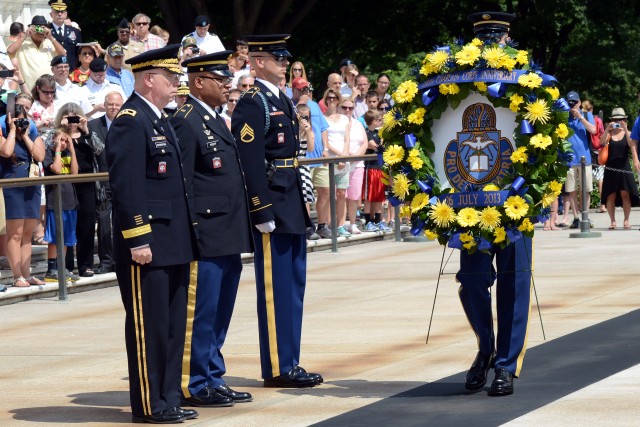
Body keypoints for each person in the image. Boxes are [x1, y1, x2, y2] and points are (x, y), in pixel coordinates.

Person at [105, 44, 197, 424]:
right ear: (148, 79)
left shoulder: (158, 118)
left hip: (172, 238)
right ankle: (149, 403)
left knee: (173, 324)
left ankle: (168, 397)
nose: (177, 83)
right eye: (170, 77)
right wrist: (138, 238)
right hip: (148, 241)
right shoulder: (131, 119)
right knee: (150, 324)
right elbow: (127, 187)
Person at [231, 34, 323, 388]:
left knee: (293, 286)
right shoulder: (253, 102)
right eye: (277, 58)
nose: (284, 63)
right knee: (276, 289)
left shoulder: (279, 98)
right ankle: (278, 366)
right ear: (257, 62)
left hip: (290, 201)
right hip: (273, 202)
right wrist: (260, 207)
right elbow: (251, 162)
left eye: (286, 58)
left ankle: (290, 360)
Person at [456, 10, 533, 397]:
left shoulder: (527, 80)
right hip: (470, 201)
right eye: (482, 39)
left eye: (494, 38)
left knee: (513, 285)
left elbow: (545, 135)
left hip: (514, 201)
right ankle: (485, 349)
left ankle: (505, 364)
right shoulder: (456, 83)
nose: (488, 47)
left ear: (506, 41)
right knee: (471, 283)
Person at [171, 50, 254, 408]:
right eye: (220, 80)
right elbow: (184, 183)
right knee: (201, 310)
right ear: (198, 82)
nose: (227, 85)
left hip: (227, 229)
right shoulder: (186, 120)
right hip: (205, 231)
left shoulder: (216, 118)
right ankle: (193, 380)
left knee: (220, 310)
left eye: (227, 79)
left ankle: (213, 374)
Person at [51, 103, 103, 278]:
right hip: (66, 184)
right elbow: (47, 147)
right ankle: (66, 265)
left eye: (75, 117)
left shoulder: (87, 134)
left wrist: (85, 130)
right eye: (69, 117)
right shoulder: (57, 134)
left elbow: (100, 150)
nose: (73, 122)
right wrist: (62, 130)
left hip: (86, 183)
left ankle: (85, 265)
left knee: (87, 225)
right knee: (67, 224)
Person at [0, 105, 46, 286]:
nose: (20, 123)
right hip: (13, 185)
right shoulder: (3, 134)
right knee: (15, 233)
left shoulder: (33, 134)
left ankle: (27, 275)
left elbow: (40, 156)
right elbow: (6, 151)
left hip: (31, 185)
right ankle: (16, 275)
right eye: (16, 119)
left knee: (28, 233)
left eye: (22, 119)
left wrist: (25, 135)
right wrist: (12, 131)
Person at [88, 91, 123, 274]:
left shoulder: (127, 124)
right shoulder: (94, 125)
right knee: (103, 222)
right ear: (104, 104)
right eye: (110, 104)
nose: (113, 108)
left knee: (122, 221)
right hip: (102, 182)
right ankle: (106, 261)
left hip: (123, 181)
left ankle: (120, 259)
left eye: (117, 105)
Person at [42, 125, 80, 282]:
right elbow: (56, 169)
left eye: (66, 140)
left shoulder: (68, 152)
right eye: (61, 139)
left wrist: (72, 151)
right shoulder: (48, 153)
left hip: (70, 201)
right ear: (54, 138)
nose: (63, 143)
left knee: (66, 237)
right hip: (54, 201)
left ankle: (61, 267)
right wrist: (57, 149)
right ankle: (52, 270)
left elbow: (75, 173)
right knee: (55, 236)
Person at [599, 108, 640, 230]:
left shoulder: (628, 132)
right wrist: (607, 128)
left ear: (625, 120)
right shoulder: (609, 134)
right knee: (610, 195)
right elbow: (601, 142)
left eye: (621, 119)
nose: (618, 121)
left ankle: (626, 220)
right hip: (611, 167)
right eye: (616, 119)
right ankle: (613, 221)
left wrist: (626, 129)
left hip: (624, 166)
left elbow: (631, 143)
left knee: (625, 194)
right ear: (611, 120)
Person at [7, 15, 66, 90]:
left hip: (47, 91)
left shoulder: (50, 42)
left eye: (43, 28)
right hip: (27, 90)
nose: (40, 31)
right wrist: (25, 35)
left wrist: (51, 37)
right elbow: (10, 51)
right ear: (32, 28)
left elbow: (63, 55)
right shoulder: (23, 43)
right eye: (37, 28)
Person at [565, 90, 596, 228]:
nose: (573, 105)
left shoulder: (586, 115)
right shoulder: (564, 117)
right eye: (570, 102)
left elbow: (594, 130)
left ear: (579, 102)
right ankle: (576, 217)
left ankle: (585, 215)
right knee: (571, 189)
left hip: (585, 159)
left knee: (586, 189)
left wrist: (580, 117)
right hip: (569, 159)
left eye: (575, 102)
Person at [362, 110, 388, 232]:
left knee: (379, 195)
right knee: (369, 196)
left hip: (380, 167)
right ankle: (368, 221)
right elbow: (375, 146)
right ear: (373, 121)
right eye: (378, 120)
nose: (380, 122)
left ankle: (378, 220)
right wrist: (382, 145)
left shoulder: (379, 133)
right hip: (370, 168)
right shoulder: (367, 132)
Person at [296, 103, 319, 240]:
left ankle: (308, 225)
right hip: (293, 163)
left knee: (306, 194)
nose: (305, 119)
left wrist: (308, 132)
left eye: (307, 116)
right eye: (302, 116)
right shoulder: (293, 130)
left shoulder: (310, 130)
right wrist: (299, 130)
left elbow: (310, 149)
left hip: (303, 164)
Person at [582, 100, 606, 213]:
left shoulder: (581, 118)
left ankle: (583, 207)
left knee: (585, 181)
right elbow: (601, 133)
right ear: (591, 109)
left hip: (586, 152)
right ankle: (602, 205)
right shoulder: (597, 120)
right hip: (598, 152)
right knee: (600, 180)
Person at [48, 0, 82, 72]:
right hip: (51, 72)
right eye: (57, 12)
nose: (60, 14)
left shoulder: (75, 31)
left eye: (62, 12)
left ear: (66, 14)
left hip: (71, 71)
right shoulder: (46, 32)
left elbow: (79, 53)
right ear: (51, 14)